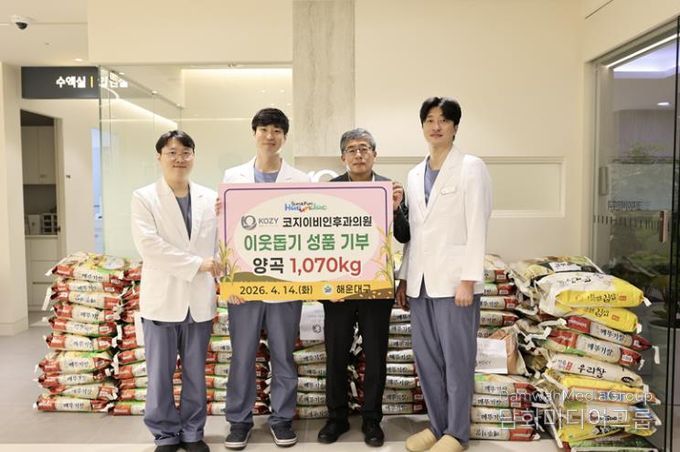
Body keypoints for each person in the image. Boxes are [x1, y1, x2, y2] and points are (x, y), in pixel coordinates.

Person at [396, 97, 492, 452]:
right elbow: (415, 234)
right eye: (430, 120)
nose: (436, 126)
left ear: (454, 127)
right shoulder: (413, 174)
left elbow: (477, 224)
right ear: (422, 126)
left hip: (455, 284)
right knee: (427, 360)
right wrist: (404, 278)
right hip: (421, 283)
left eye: (443, 120)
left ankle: (457, 432)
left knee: (457, 360)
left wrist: (468, 279)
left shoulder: (470, 167)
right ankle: (437, 427)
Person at [222, 108, 310, 450]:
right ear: (254, 133)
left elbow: (307, 235)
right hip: (245, 284)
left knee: (283, 354)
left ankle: (282, 418)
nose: (269, 136)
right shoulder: (233, 176)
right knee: (242, 355)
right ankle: (239, 421)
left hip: (286, 284)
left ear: (284, 137)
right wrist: (229, 280)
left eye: (276, 130)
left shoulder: (300, 180)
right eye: (263, 129)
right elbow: (224, 232)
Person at [317, 128, 409, 447]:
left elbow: (405, 235)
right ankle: (337, 418)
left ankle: (372, 419)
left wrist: (396, 208)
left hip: (376, 287)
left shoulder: (389, 189)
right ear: (343, 156)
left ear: (374, 154)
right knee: (336, 355)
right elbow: (316, 241)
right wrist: (322, 286)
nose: (358, 154)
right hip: (338, 289)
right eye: (352, 149)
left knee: (376, 355)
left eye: (364, 148)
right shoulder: (329, 191)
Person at [131, 130, 220, 452]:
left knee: (196, 372)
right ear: (159, 157)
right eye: (172, 152)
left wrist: (219, 264)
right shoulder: (144, 197)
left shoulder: (210, 198)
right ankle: (165, 434)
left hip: (199, 300)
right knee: (160, 374)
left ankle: (193, 432)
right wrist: (199, 264)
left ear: (194, 157)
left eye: (185, 152)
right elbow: (149, 246)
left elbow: (221, 242)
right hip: (162, 299)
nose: (179, 159)